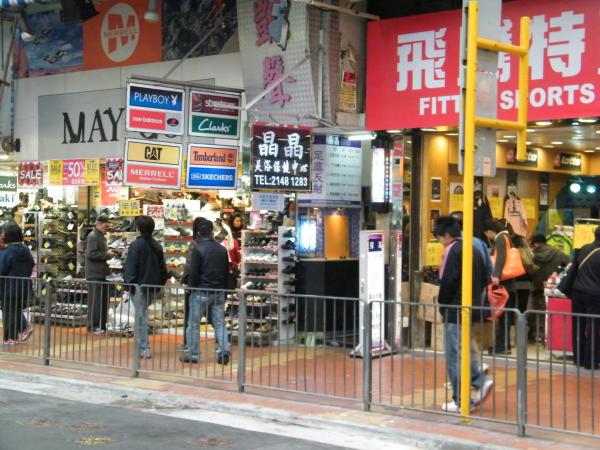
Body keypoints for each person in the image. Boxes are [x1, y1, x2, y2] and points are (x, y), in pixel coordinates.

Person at [434, 216, 493, 412]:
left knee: (454, 356)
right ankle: (478, 380)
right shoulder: (473, 248)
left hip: (455, 310)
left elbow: (447, 282)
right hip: (471, 307)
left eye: (438, 237)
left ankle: (462, 399)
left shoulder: (453, 251)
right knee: (464, 352)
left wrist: (442, 305)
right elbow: (486, 277)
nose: (438, 241)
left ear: (446, 235)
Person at [181, 218, 230, 364]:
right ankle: (224, 351)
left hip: (201, 291)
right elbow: (226, 273)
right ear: (212, 232)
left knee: (193, 324)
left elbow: (194, 273)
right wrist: (225, 292)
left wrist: (190, 287)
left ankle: (193, 353)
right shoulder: (222, 250)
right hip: (218, 291)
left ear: (198, 233)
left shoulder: (198, 250)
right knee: (220, 323)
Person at [124, 215, 168, 359]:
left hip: (139, 286)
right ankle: (142, 347)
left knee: (140, 317)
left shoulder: (136, 245)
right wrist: (160, 284)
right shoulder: (157, 245)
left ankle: (143, 348)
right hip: (153, 286)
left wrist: (129, 285)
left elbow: (131, 266)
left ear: (139, 228)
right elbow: (163, 268)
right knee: (142, 314)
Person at [483, 219, 516, 354]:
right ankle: (504, 344)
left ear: (490, 231)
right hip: (508, 282)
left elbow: (501, 257)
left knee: (504, 315)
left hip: (504, 283)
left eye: (487, 234)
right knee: (504, 315)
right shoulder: (506, 237)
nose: (488, 237)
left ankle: (503, 345)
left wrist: (496, 275)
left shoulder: (501, 238)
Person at [570, 226, 600, 369]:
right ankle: (590, 362)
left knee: (578, 326)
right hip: (594, 295)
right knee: (593, 327)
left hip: (577, 292)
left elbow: (573, 270)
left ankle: (578, 359)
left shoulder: (583, 249)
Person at [531, 234, 570, 343]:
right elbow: (568, 263)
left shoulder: (532, 254)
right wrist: (558, 271)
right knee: (551, 312)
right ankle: (551, 336)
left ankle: (538, 335)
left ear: (535, 244)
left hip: (537, 287)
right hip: (552, 288)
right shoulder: (558, 252)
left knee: (537, 311)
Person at [0, 222, 34, 344]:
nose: (2, 235)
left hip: (8, 288)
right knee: (15, 310)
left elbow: (1, 269)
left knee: (9, 312)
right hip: (23, 287)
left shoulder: (6, 252)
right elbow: (31, 264)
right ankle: (24, 328)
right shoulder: (25, 250)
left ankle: (11, 338)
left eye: (3, 233)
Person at [85, 216, 114, 335]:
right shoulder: (93, 236)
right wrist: (107, 255)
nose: (107, 228)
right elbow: (91, 254)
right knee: (95, 301)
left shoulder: (100, 236)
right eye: (106, 225)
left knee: (102, 301)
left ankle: (101, 324)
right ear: (101, 224)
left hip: (102, 273)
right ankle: (93, 325)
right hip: (94, 274)